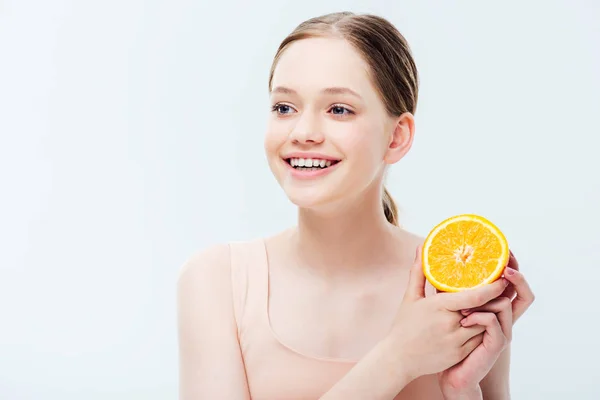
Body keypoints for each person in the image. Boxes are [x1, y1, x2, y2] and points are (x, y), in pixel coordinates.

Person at [177, 11, 535, 400]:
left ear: (397, 137)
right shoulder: (218, 282)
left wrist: (463, 390)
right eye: (284, 107)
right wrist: (398, 358)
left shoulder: (460, 283)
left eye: (338, 110)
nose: (303, 133)